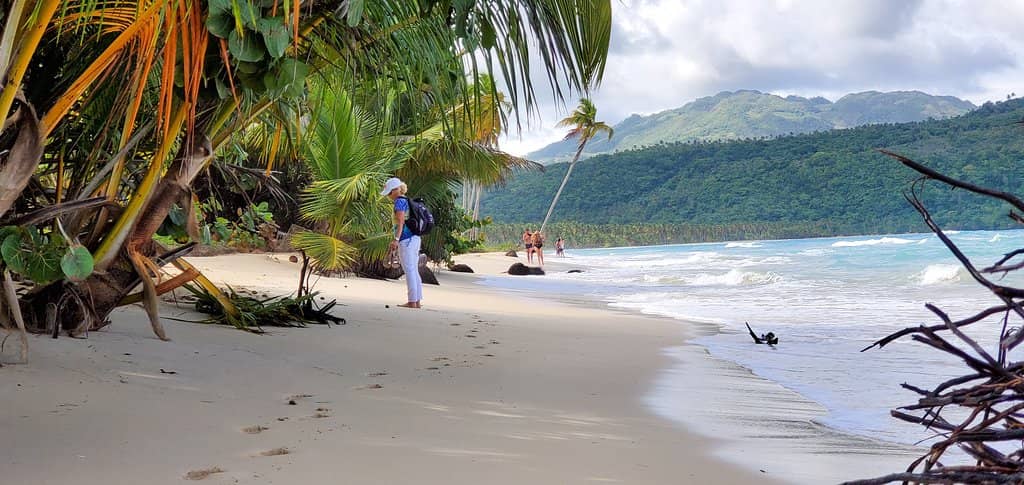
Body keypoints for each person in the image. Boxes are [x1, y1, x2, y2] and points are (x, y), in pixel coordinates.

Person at [382, 177, 421, 308]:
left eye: (389, 193)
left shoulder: (399, 202)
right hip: (415, 238)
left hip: (406, 239)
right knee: (414, 270)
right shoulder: (407, 200)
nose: (388, 196)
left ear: (395, 190)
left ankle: (412, 301)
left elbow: (400, 223)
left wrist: (396, 239)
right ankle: (417, 301)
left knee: (409, 270)